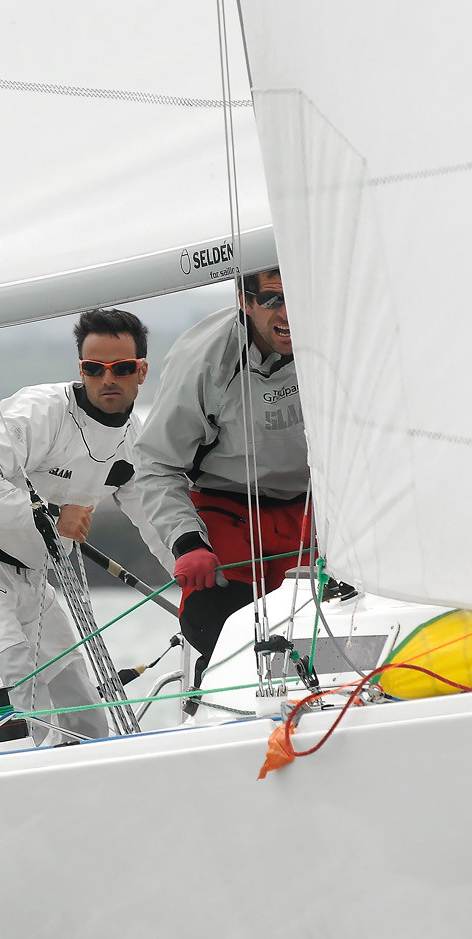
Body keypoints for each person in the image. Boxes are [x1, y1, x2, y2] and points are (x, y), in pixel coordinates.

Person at [0, 308, 174, 747]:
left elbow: (155, 521)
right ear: (81, 369)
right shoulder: (40, 412)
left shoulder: (134, 442)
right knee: (16, 710)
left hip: (34, 580)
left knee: (86, 720)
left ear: (142, 371)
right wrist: (51, 516)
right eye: (93, 369)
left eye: (121, 368)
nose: (107, 379)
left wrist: (194, 579)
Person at [135, 269, 311, 684]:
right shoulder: (204, 358)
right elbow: (157, 463)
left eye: (299, 295)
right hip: (228, 507)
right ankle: (213, 702)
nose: (289, 312)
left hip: (311, 510)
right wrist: (187, 543)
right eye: (272, 300)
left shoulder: (343, 340)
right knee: (214, 624)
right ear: (244, 299)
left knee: (331, 630)